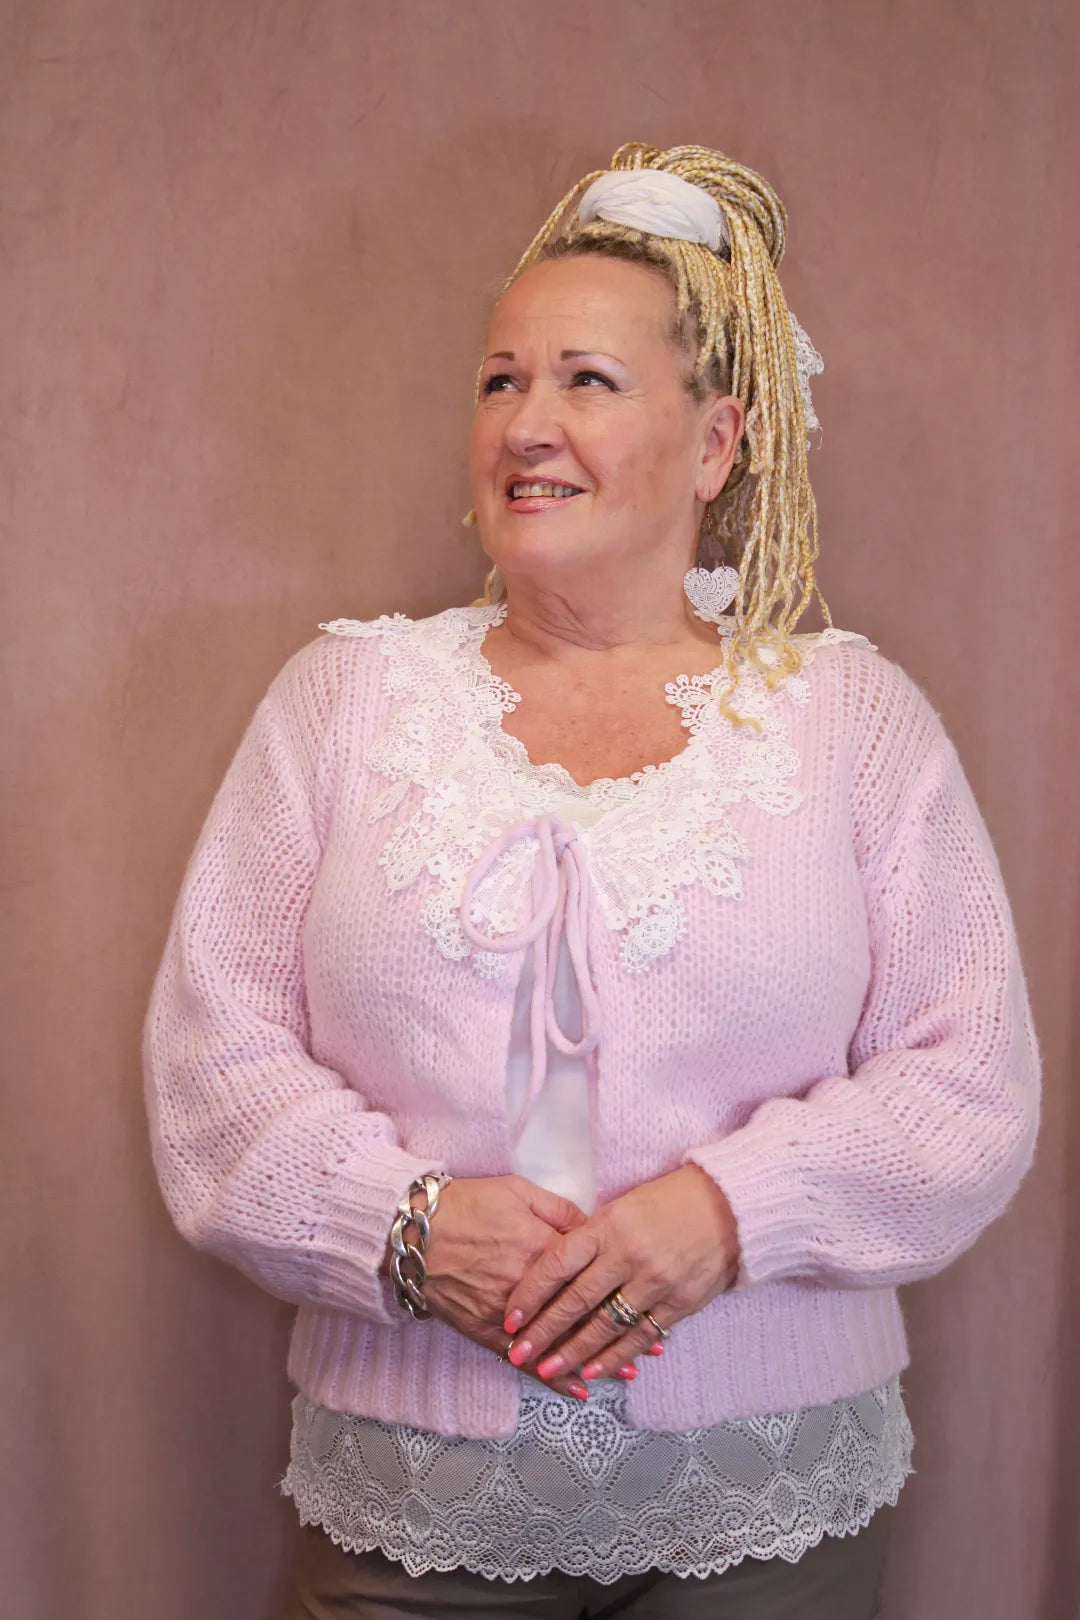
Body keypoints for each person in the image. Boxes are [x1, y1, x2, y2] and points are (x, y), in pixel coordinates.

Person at [142, 142, 1040, 1618]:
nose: (526, 424)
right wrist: (404, 1224)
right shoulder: (346, 700)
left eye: (588, 382)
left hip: (770, 1508)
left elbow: (967, 1083)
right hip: (412, 1508)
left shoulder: (848, 722)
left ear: (715, 443)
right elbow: (211, 1057)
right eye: (500, 380)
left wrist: (731, 1211)